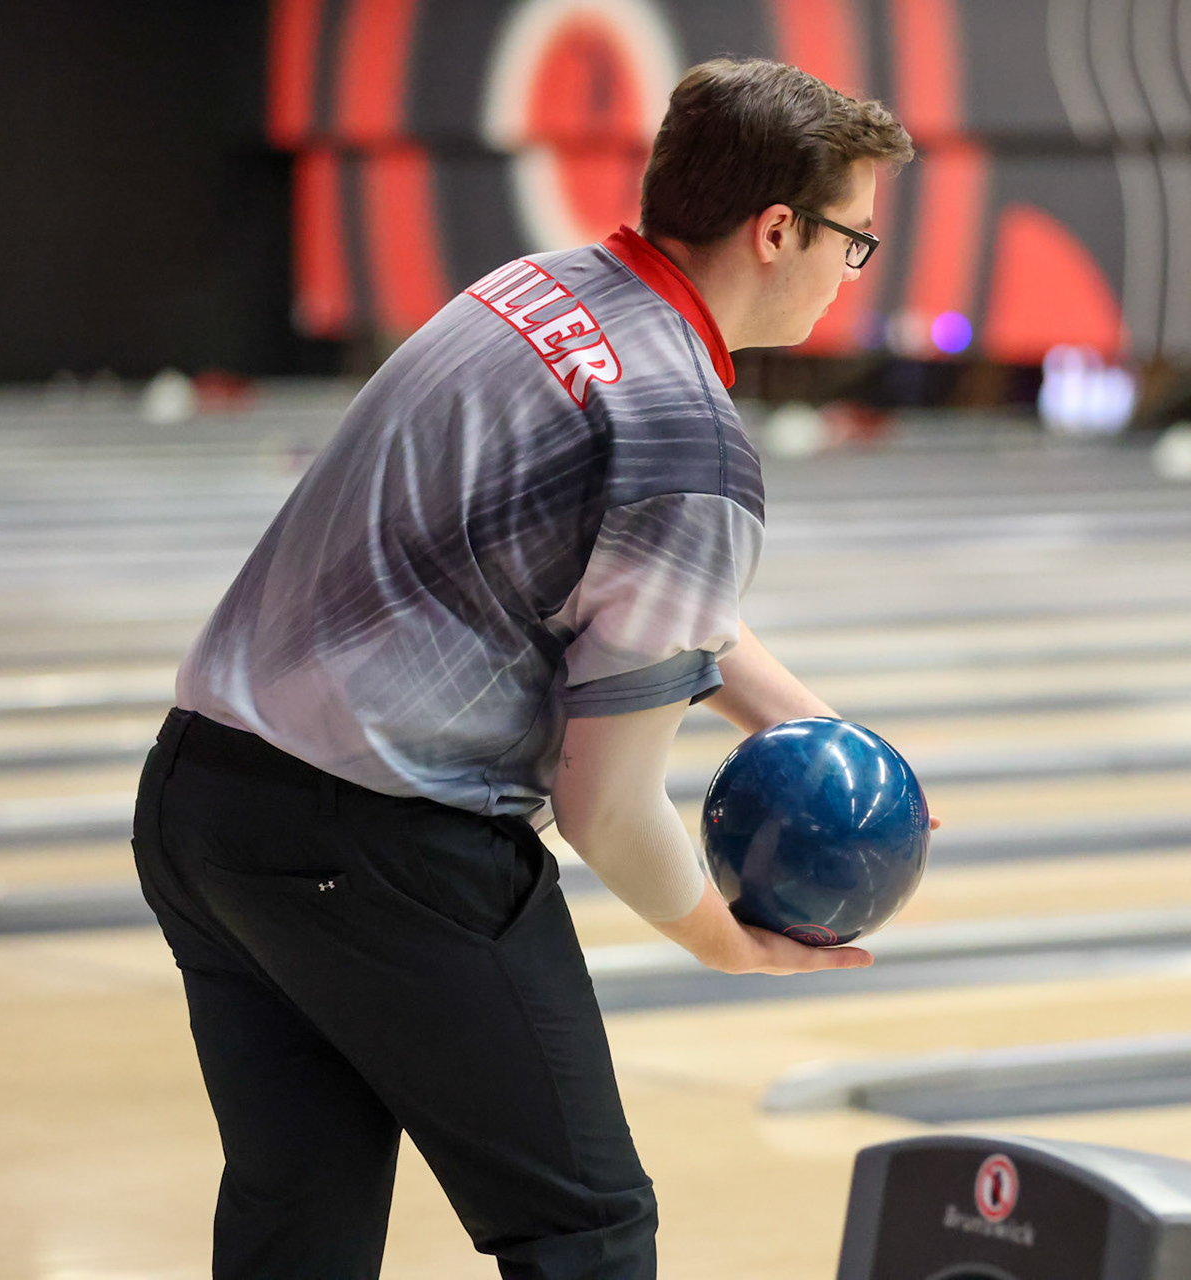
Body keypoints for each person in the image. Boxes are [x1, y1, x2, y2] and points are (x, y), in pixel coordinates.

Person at [131, 58, 914, 1279]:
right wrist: (720, 937)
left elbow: (648, 596)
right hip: (381, 845)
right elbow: (605, 802)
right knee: (586, 1230)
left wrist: (830, 731)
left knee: (302, 1214)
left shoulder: (537, 289)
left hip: (202, 803)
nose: (852, 271)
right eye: (854, 241)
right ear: (777, 228)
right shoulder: (690, 440)